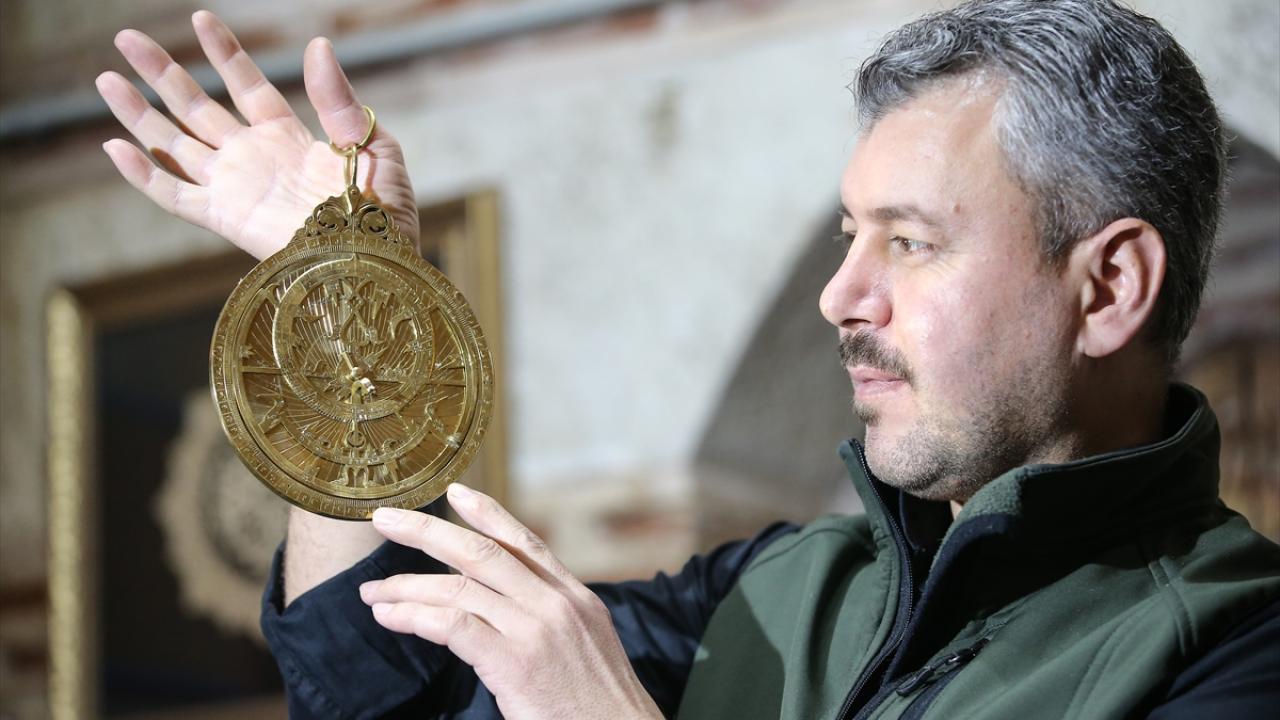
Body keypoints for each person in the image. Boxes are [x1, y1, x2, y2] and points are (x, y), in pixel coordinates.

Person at [98, 1, 1279, 718]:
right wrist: (349, 287)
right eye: (846, 235)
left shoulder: (1238, 654)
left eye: (909, 242)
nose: (838, 295)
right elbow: (379, 692)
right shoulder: (779, 584)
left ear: (1106, 288)